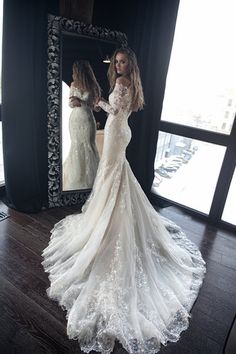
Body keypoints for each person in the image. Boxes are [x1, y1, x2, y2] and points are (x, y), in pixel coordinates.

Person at [42, 47, 206, 354]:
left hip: (117, 130)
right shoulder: (131, 83)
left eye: (122, 61)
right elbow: (117, 111)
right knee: (114, 178)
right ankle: (111, 215)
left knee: (112, 177)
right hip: (121, 131)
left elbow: (113, 111)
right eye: (116, 61)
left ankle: (110, 222)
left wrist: (93, 98)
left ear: (130, 63)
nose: (118, 65)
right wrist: (96, 99)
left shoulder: (123, 83)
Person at [62, 60, 101, 191]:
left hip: (87, 119)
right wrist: (73, 102)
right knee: (76, 146)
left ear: (80, 71)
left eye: (75, 71)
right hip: (75, 120)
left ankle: (91, 180)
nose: (73, 73)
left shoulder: (92, 86)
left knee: (88, 145)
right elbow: (70, 104)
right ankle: (76, 178)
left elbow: (94, 105)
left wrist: (82, 102)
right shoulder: (73, 84)